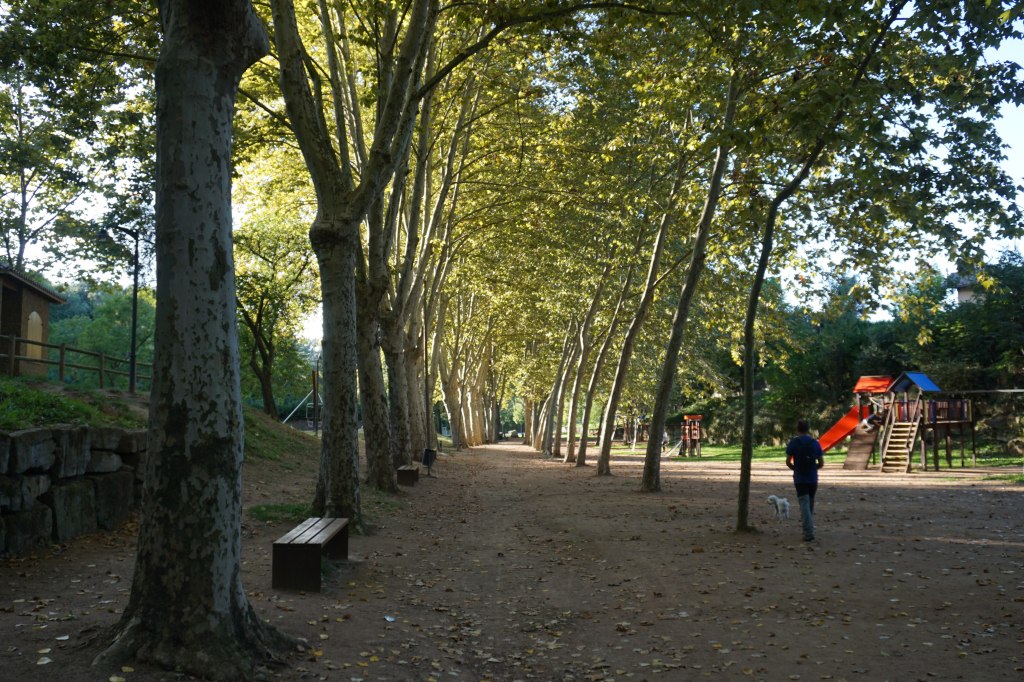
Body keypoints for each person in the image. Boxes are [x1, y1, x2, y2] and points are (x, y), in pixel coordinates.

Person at [785, 420, 825, 541]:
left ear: (798, 429)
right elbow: (821, 463)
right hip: (812, 478)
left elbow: (788, 461)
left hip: (800, 478)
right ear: (808, 429)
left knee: (804, 504)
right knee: (809, 503)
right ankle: (809, 527)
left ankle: (808, 532)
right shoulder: (815, 443)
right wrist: (814, 468)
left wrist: (795, 469)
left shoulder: (794, 443)